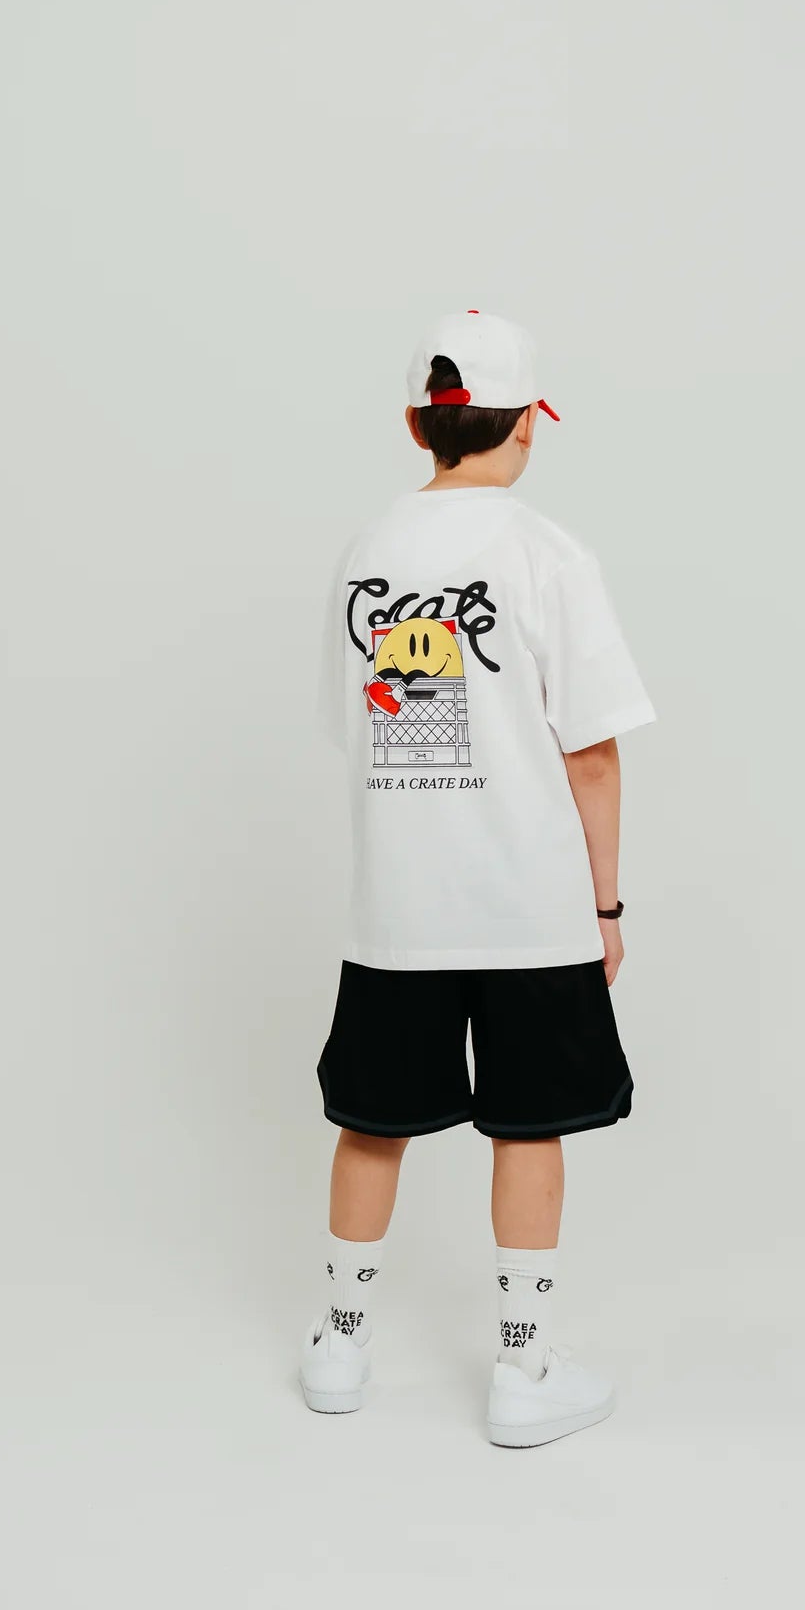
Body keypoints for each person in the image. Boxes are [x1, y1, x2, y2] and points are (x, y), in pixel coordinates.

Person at [301, 310, 655, 1447]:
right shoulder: (549, 555)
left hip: (398, 907)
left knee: (372, 1123)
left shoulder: (366, 552)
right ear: (528, 426)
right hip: (528, 907)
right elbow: (591, 753)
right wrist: (604, 904)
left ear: (419, 425)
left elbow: (355, 729)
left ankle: (340, 1347)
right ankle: (524, 1368)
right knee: (528, 1126)